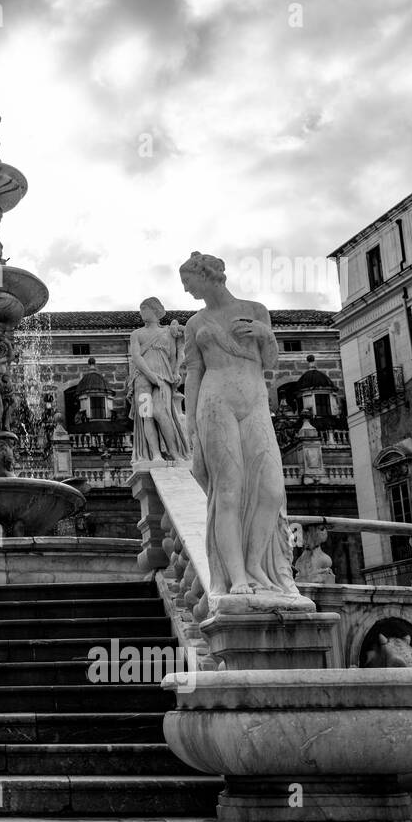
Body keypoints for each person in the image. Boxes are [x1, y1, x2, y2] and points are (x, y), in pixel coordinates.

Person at [181, 252, 297, 598]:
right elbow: (192, 373)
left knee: (272, 489)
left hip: (255, 400)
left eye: (188, 280)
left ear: (207, 275)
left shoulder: (256, 310)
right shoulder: (194, 324)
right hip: (215, 402)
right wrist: (190, 426)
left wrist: (264, 333)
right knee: (227, 491)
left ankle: (256, 563)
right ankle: (236, 577)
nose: (186, 289)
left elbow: (271, 364)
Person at [127, 297, 190, 463]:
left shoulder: (168, 333)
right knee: (146, 415)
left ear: (155, 311)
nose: (141, 313)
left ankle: (174, 452)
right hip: (142, 378)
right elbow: (136, 357)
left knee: (162, 413)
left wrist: (175, 372)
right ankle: (155, 454)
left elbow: (176, 355)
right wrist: (150, 376)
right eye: (141, 309)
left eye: (144, 309)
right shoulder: (136, 334)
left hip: (163, 378)